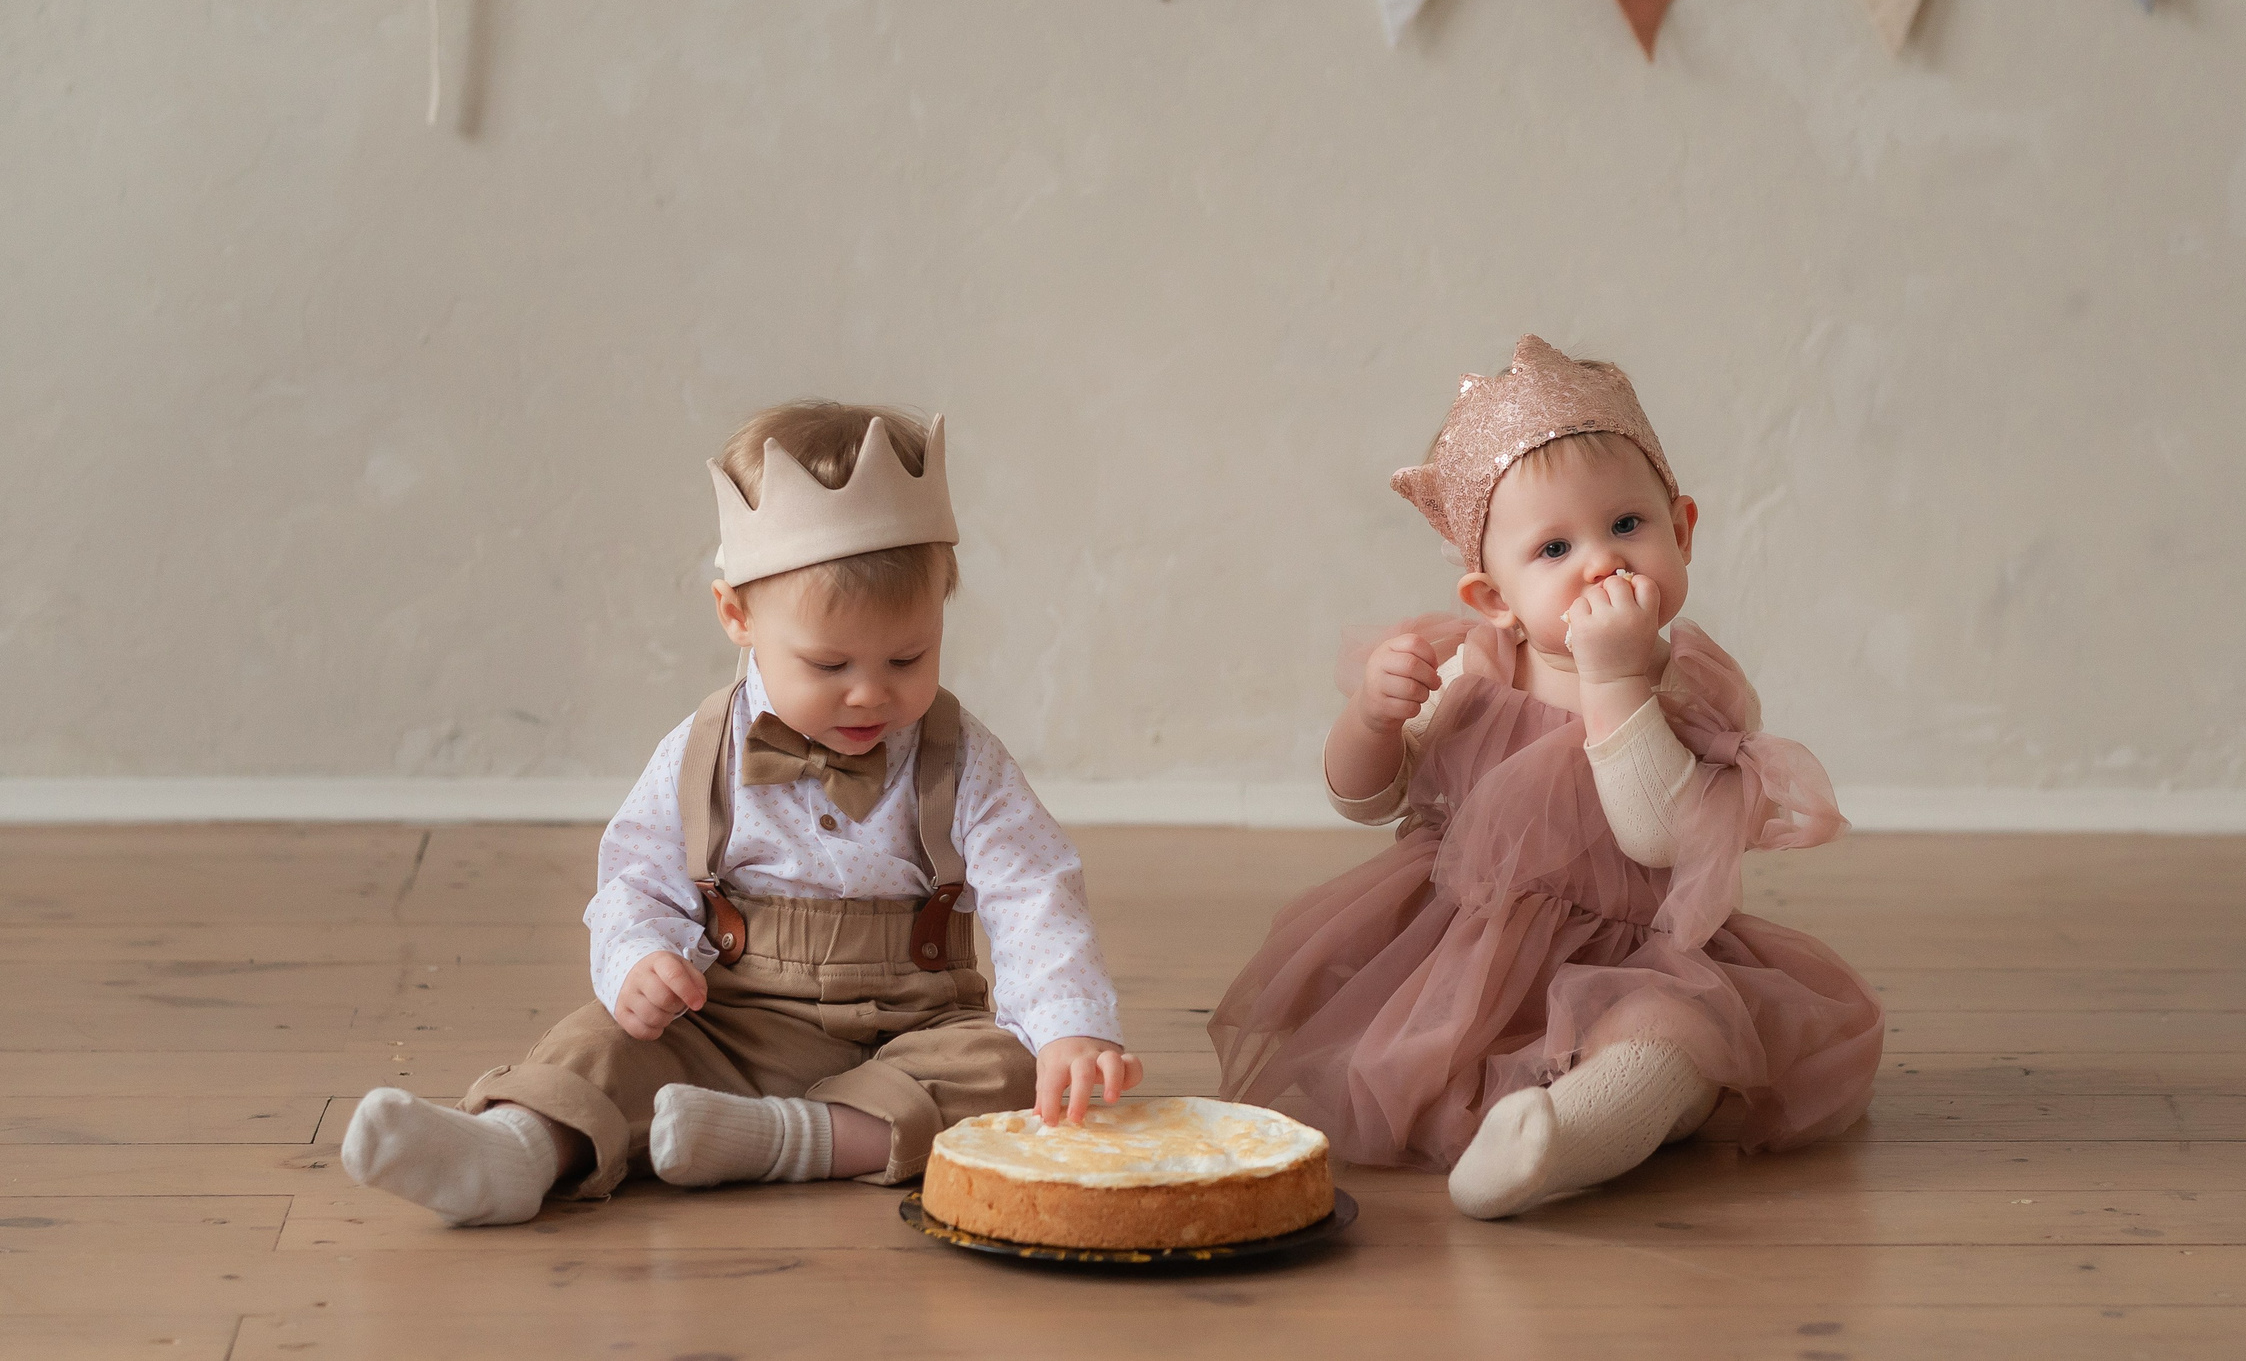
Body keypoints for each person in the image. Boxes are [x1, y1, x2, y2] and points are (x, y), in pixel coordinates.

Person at [343, 401, 1139, 1225]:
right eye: (828, 663)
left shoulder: (962, 757)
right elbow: (635, 878)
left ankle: (777, 1138)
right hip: (731, 1020)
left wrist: (1070, 1029)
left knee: (1004, 1071)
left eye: (909, 656)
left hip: (909, 1027)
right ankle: (518, 1149)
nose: (872, 691)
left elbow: (1033, 889)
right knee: (601, 1043)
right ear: (738, 617)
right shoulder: (703, 751)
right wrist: (641, 961)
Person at [1210, 336, 1882, 1218]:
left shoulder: (1688, 685)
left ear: (1682, 531)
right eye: (1555, 548)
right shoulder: (1476, 671)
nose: (1600, 561)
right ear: (1493, 598)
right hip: (1461, 957)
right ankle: (1521, 1120)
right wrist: (1370, 721)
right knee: (1417, 1062)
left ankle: (1563, 1138)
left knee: (1674, 1043)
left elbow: (1659, 833)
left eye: (1628, 527)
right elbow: (1366, 798)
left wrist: (1613, 678)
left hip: (1636, 956)